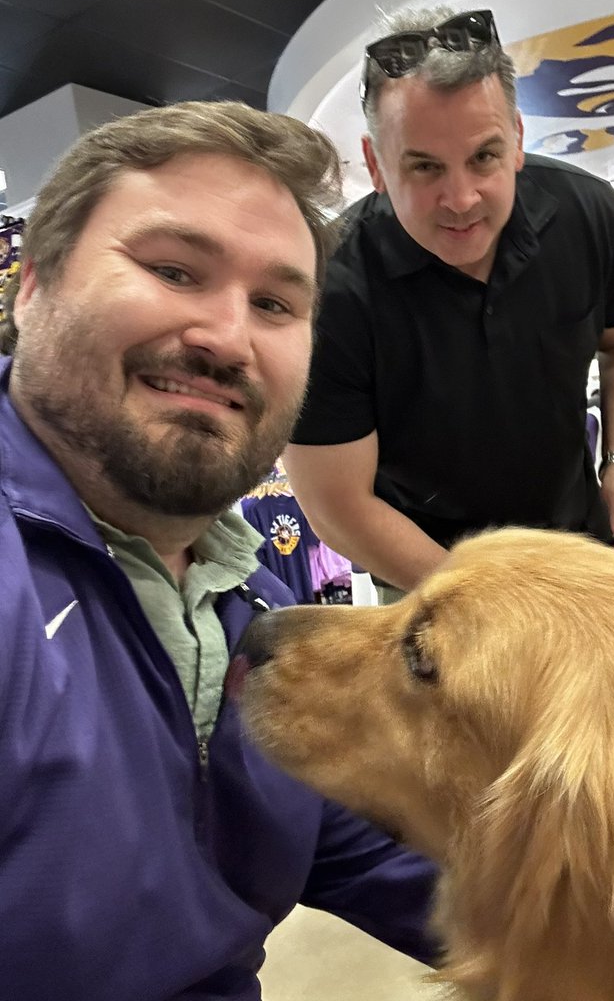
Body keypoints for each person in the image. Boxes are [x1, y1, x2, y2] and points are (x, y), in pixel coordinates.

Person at [0, 102, 437, 1000]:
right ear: (32, 284)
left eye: (275, 303)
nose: (228, 339)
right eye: (173, 269)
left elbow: (444, 888)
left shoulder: (256, 610)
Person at [287, 5, 614, 598]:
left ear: (516, 137)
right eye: (425, 167)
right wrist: (487, 602)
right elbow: (337, 506)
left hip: (584, 551)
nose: (460, 199)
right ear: (376, 165)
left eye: (484, 157)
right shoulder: (327, 287)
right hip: (429, 580)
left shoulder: (587, 213)